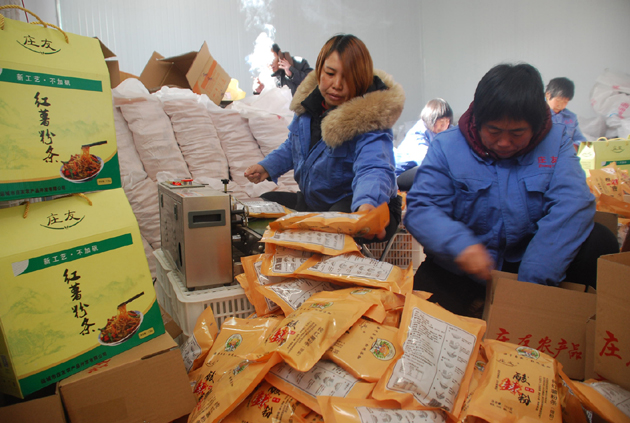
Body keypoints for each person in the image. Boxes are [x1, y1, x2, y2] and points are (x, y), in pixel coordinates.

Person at [403, 63, 618, 317]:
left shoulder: (555, 141)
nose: (504, 142)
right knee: (418, 321)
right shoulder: (447, 146)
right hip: (463, 269)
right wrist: (460, 246)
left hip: (528, 266)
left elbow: (572, 204)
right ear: (477, 120)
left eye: (517, 133)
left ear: (535, 126)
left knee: (599, 240)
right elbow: (422, 208)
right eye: (493, 131)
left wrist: (531, 281)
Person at [245, 34, 405, 242]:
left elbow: (374, 168)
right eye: (330, 73)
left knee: (333, 222)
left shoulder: (370, 118)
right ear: (319, 71)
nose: (337, 84)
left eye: (348, 77)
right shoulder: (308, 109)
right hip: (318, 203)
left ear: (361, 80)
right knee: (265, 204)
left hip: (364, 204)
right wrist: (266, 167)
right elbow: (293, 147)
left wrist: (367, 207)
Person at [395, 98, 454, 191]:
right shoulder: (418, 133)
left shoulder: (447, 129)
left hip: (429, 168)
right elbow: (427, 161)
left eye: (448, 121)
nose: (445, 125)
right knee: (433, 171)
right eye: (442, 122)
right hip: (403, 174)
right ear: (431, 119)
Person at [545, 77, 587, 149]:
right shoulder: (537, 113)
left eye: (565, 102)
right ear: (548, 95)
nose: (560, 105)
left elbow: (580, 139)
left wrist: (575, 146)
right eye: (558, 100)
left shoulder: (571, 117)